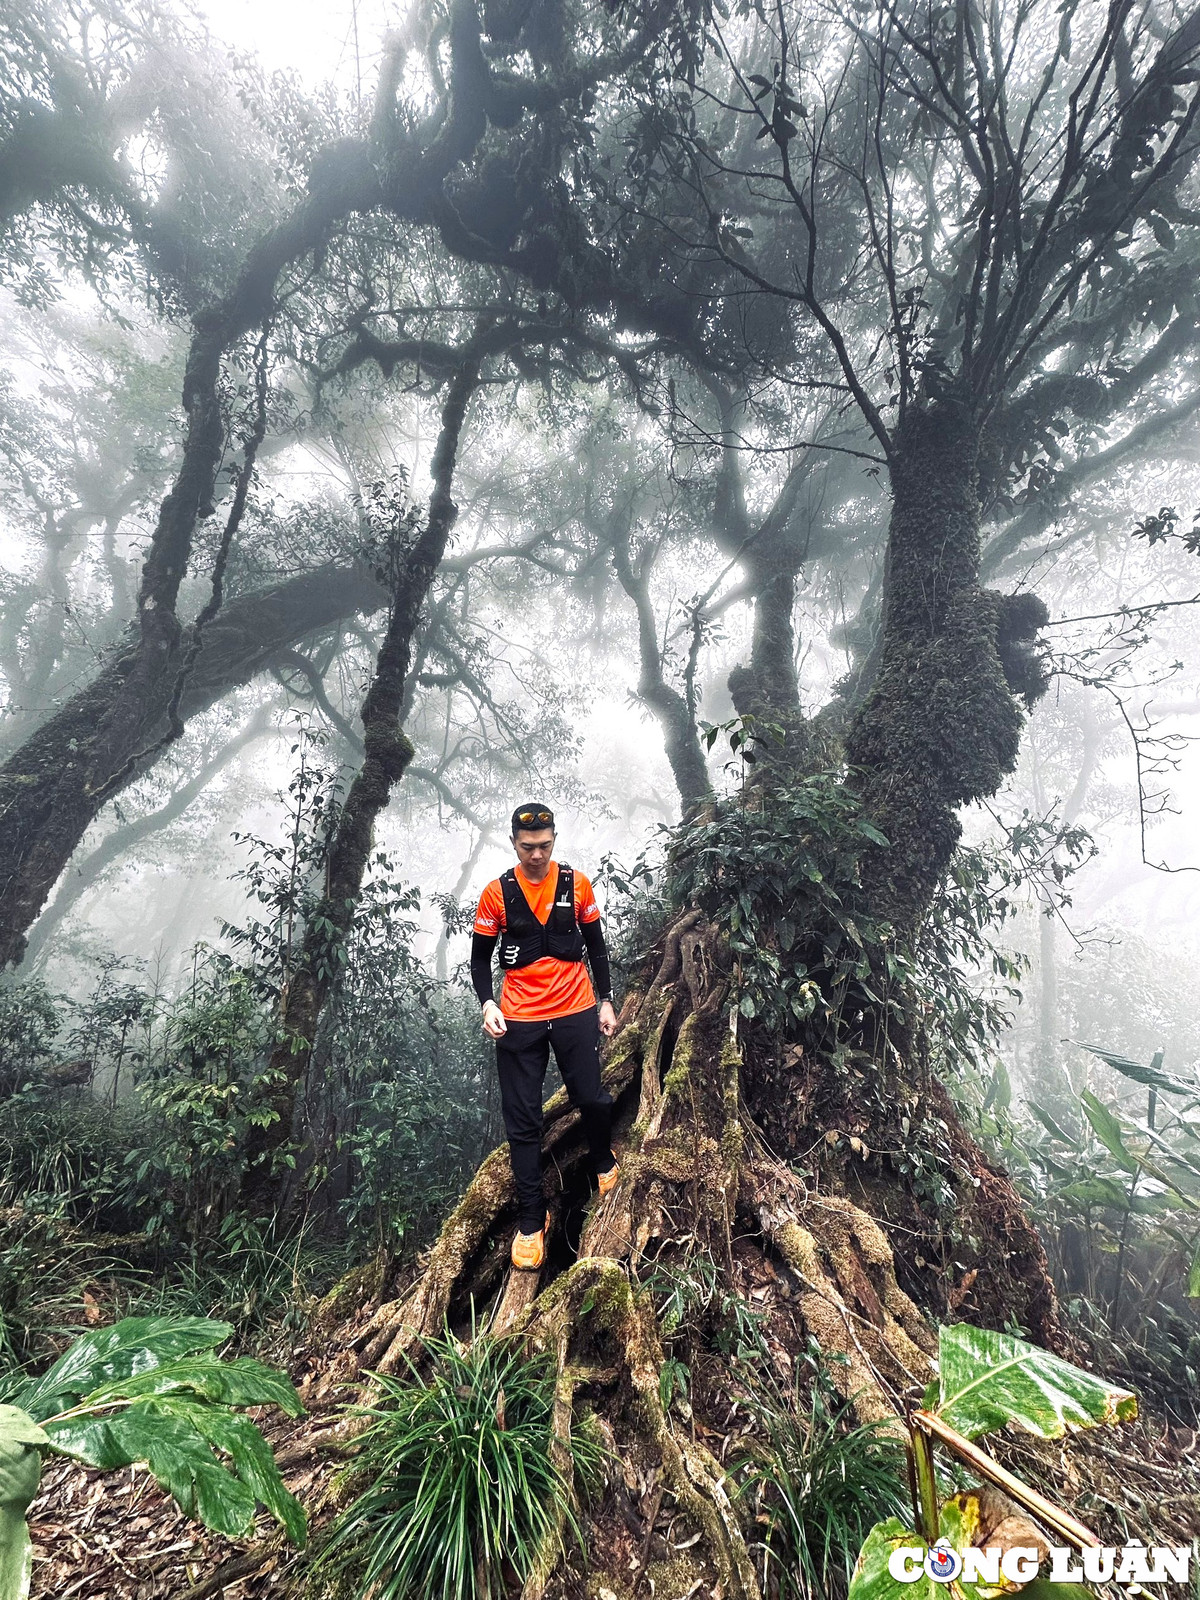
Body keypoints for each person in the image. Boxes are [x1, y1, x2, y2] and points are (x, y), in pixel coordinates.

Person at [471, 802, 620, 1270]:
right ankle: (533, 1220)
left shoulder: (576, 884)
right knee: (522, 1120)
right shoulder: (496, 894)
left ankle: (601, 1160)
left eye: (545, 846)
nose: (537, 855)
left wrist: (606, 999)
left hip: (576, 1007)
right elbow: (480, 960)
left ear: (554, 840)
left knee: (590, 1097)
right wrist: (488, 1003)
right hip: (520, 1017)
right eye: (528, 846)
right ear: (514, 843)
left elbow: (595, 944)